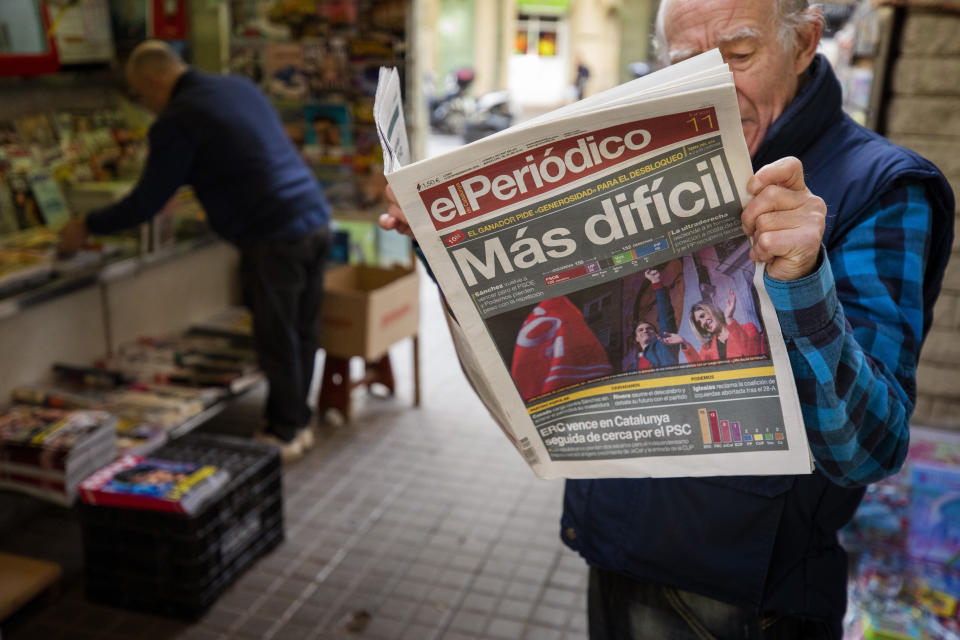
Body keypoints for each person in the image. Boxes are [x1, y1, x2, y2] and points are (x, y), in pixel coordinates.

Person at [379, 0, 954, 636]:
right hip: (615, 543)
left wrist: (802, 285)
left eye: (739, 55)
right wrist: (449, 245)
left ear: (804, 43)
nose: (717, 85)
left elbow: (869, 450)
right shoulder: (642, 154)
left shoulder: (883, 187)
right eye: (689, 64)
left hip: (744, 598)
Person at [59, 41, 331, 464]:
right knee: (302, 331)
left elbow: (146, 201)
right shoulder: (237, 87)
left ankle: (285, 430)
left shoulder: (178, 118)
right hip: (313, 216)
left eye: (141, 95)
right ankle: (298, 420)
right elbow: (244, 153)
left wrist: (87, 225)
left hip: (274, 233)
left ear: (153, 80)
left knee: (277, 336)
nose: (145, 105)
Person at [669, 290, 767, 363]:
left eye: (703, 316)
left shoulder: (748, 328)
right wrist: (684, 342)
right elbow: (701, 372)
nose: (703, 323)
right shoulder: (706, 349)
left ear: (712, 310)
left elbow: (750, 355)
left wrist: (729, 318)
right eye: (699, 323)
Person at [632, 268, 680, 371]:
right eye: (640, 330)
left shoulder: (664, 343)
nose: (645, 330)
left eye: (649, 328)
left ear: (656, 333)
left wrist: (656, 283)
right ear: (636, 338)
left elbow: (666, 315)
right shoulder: (635, 366)